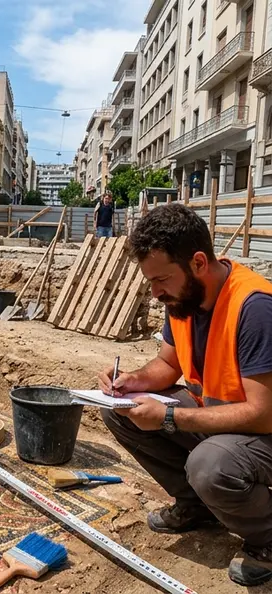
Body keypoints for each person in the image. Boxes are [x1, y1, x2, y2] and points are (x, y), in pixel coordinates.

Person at [98, 204, 272, 586]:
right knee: (120, 411)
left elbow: (262, 414)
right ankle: (197, 506)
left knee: (210, 465)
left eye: (161, 280)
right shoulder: (183, 299)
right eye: (150, 282)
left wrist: (172, 417)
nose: (155, 292)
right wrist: (133, 382)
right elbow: (168, 364)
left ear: (197, 263)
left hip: (263, 429)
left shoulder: (255, 307)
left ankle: (267, 538)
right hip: (221, 414)